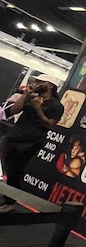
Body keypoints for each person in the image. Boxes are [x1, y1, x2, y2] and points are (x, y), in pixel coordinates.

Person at [0, 74, 64, 213]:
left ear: (50, 85)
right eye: (36, 81)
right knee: (5, 168)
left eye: (41, 81)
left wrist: (38, 108)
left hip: (30, 141)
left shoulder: (56, 105)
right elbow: (14, 110)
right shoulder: (31, 97)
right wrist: (26, 95)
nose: (37, 83)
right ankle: (7, 196)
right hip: (13, 136)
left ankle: (10, 202)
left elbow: (50, 125)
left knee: (15, 171)